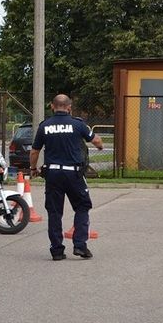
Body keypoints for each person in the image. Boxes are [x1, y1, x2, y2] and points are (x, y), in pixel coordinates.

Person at [29, 94, 103, 260]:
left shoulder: (44, 126)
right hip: (74, 173)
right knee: (83, 206)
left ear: (52, 107)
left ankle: (56, 250)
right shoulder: (78, 124)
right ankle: (80, 246)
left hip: (53, 174)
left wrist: (33, 168)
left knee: (54, 212)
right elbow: (96, 141)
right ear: (69, 107)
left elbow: (35, 151)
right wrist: (100, 145)